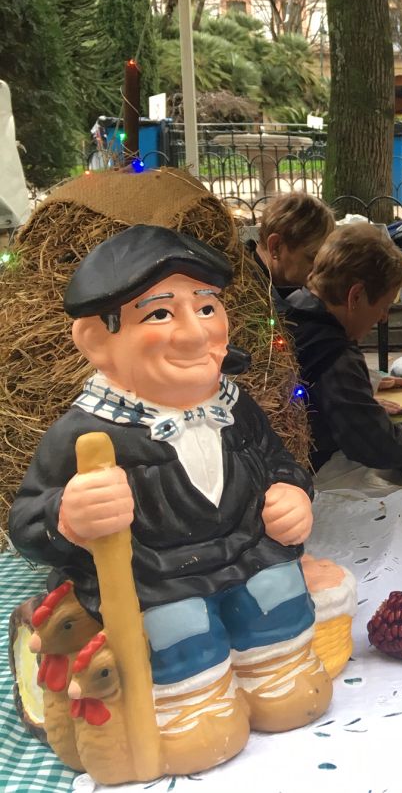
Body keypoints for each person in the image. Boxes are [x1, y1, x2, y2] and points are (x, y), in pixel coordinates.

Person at [11, 225, 332, 757]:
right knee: (180, 630)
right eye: (159, 314)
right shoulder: (85, 434)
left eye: (206, 308)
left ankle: (275, 678)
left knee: (278, 594)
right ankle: (194, 708)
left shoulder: (235, 406)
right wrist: (66, 518)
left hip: (248, 556)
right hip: (155, 580)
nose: (194, 334)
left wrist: (291, 493)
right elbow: (25, 523)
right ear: (98, 340)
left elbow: (279, 463)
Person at [285, 223, 402, 480]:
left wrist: (369, 382)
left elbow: (316, 391)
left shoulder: (293, 309)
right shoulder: (335, 356)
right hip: (315, 483)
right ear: (356, 296)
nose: (383, 317)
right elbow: (380, 448)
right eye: (383, 306)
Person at [248, 193, 336, 310]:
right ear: (276, 246)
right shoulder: (241, 296)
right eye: (312, 258)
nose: (320, 270)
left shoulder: (267, 284)